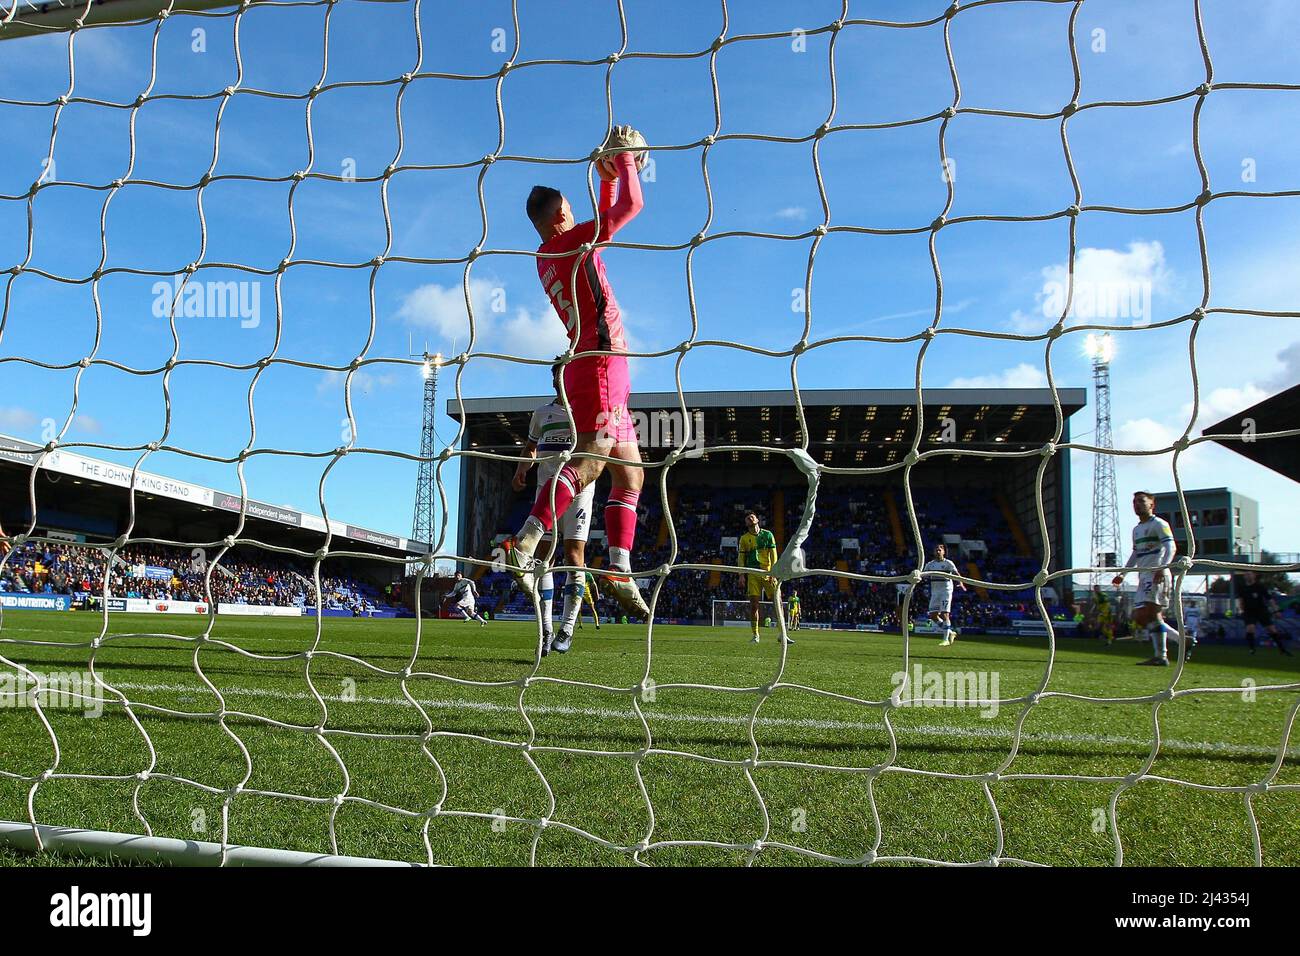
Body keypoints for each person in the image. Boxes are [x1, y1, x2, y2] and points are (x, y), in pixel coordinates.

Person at [504, 129, 650, 622]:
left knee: (631, 474)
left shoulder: (552, 253)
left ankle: (619, 569)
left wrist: (603, 177)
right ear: (562, 215)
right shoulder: (569, 242)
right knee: (590, 463)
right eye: (570, 205)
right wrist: (624, 164)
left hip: (599, 364)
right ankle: (525, 542)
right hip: (603, 362)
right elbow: (630, 208)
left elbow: (605, 223)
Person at [513, 362, 600, 654]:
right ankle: (546, 629)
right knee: (543, 557)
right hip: (545, 492)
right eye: (557, 376)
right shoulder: (542, 413)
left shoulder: (587, 409)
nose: (562, 380)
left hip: (579, 491)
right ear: (553, 381)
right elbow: (530, 447)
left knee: (574, 555)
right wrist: (521, 468)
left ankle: (568, 627)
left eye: (567, 374)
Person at [1112, 491, 1185, 665]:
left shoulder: (1159, 524)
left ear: (1152, 505)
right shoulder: (1137, 530)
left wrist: (1162, 567)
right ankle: (1181, 641)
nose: (1137, 504)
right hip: (1144, 576)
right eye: (1134, 502)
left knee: (1149, 614)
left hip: (1156, 575)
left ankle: (1162, 656)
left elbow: (1171, 547)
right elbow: (1136, 554)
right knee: (1142, 616)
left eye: (1141, 501)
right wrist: (1123, 574)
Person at [738, 511, 789, 644]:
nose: (750, 517)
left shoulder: (768, 535)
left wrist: (774, 572)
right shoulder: (744, 538)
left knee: (777, 602)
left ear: (757, 520)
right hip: (753, 574)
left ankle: (782, 634)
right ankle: (756, 635)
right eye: (747, 518)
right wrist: (741, 574)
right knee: (754, 605)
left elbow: (774, 555)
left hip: (768, 573)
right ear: (746, 523)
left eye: (752, 516)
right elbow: (741, 558)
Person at [1238, 570, 1293, 656]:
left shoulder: (1260, 587)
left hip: (1261, 611)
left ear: (1254, 576)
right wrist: (1241, 610)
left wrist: (1276, 610)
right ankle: (1252, 649)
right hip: (1249, 612)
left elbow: (1269, 599)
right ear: (1244, 577)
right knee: (1250, 628)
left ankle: (1282, 649)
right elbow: (1241, 601)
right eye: (1246, 574)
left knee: (1272, 629)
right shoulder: (1242, 588)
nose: (1248, 576)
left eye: (1249, 574)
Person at [922, 543, 966, 646]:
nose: (938, 552)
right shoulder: (930, 565)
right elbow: (923, 576)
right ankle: (950, 632)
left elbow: (957, 574)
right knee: (933, 615)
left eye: (939, 550)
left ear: (944, 552)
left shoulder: (948, 563)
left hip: (946, 591)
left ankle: (945, 639)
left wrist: (960, 583)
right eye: (936, 550)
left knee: (945, 614)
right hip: (935, 592)